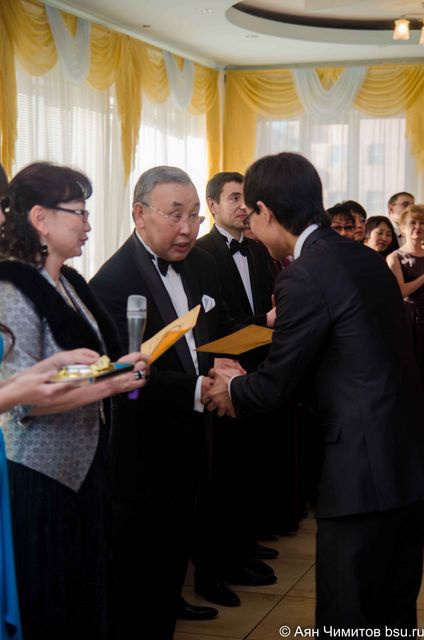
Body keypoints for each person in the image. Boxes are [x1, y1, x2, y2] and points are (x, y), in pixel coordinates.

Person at [204, 152, 424, 631]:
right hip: (405, 460)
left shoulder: (303, 273)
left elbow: (278, 380)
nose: (249, 222)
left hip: (361, 470)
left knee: (348, 614)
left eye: (251, 212)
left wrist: (233, 387)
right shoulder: (363, 258)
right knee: (393, 612)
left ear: (265, 211)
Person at [90, 166, 267, 638]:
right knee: (139, 565)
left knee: (174, 550)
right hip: (142, 448)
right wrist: (197, 388)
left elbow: (207, 335)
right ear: (139, 214)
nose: (188, 228)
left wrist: (223, 365)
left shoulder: (202, 264)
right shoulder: (111, 283)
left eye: (194, 216)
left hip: (195, 435)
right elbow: (123, 377)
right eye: (175, 215)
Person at [0, 162, 149, 640]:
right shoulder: (12, 288)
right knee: (51, 597)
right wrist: (107, 384)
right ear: (40, 218)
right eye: (78, 212)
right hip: (41, 472)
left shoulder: (69, 283)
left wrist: (120, 369)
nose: (87, 224)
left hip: (87, 464)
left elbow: (83, 366)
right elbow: (23, 399)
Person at [387, 204, 424, 385]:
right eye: (413, 223)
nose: (418, 227)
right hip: (411, 319)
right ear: (402, 228)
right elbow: (400, 291)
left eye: (422, 223)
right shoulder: (395, 257)